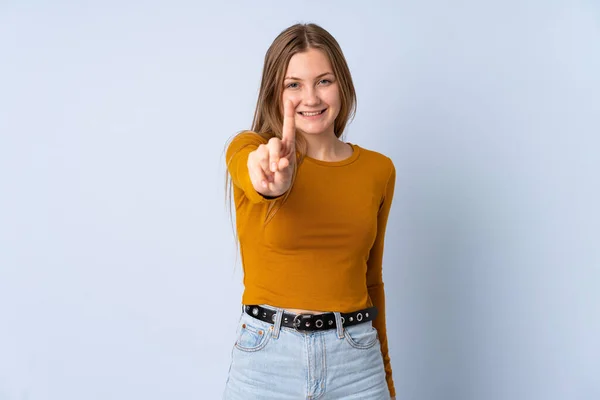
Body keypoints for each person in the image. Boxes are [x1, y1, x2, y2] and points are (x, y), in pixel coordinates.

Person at [223, 23, 397, 400]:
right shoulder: (251, 149)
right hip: (265, 364)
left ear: (342, 85)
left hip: (357, 364)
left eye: (323, 81)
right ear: (275, 91)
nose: (311, 97)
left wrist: (386, 379)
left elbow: (372, 282)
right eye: (293, 84)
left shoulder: (378, 170)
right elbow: (251, 170)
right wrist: (270, 182)